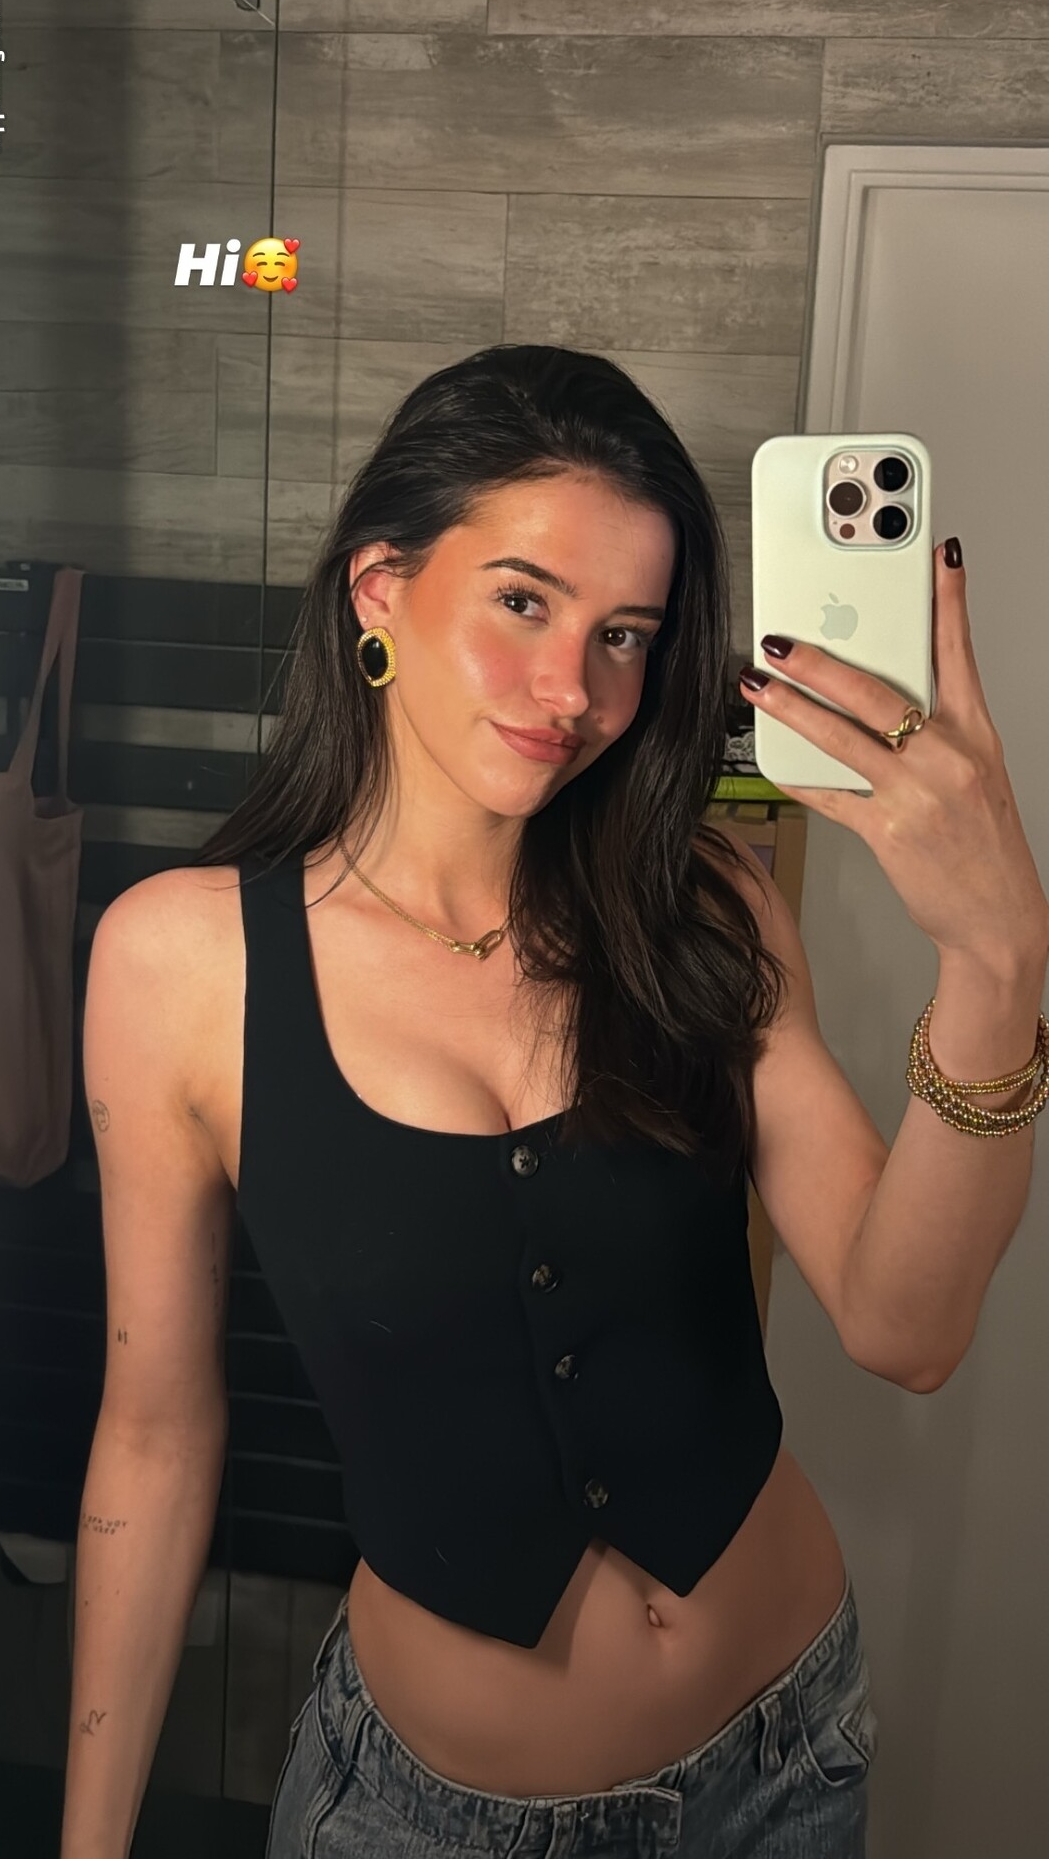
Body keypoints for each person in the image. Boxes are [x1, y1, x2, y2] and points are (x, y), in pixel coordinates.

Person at [65, 346, 892, 1859]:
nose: (575, 691)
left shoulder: (702, 899)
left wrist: (1000, 956)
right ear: (380, 587)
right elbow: (156, 1435)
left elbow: (909, 1324)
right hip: (428, 1823)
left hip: (790, 1758)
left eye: (625, 635)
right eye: (524, 601)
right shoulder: (179, 962)